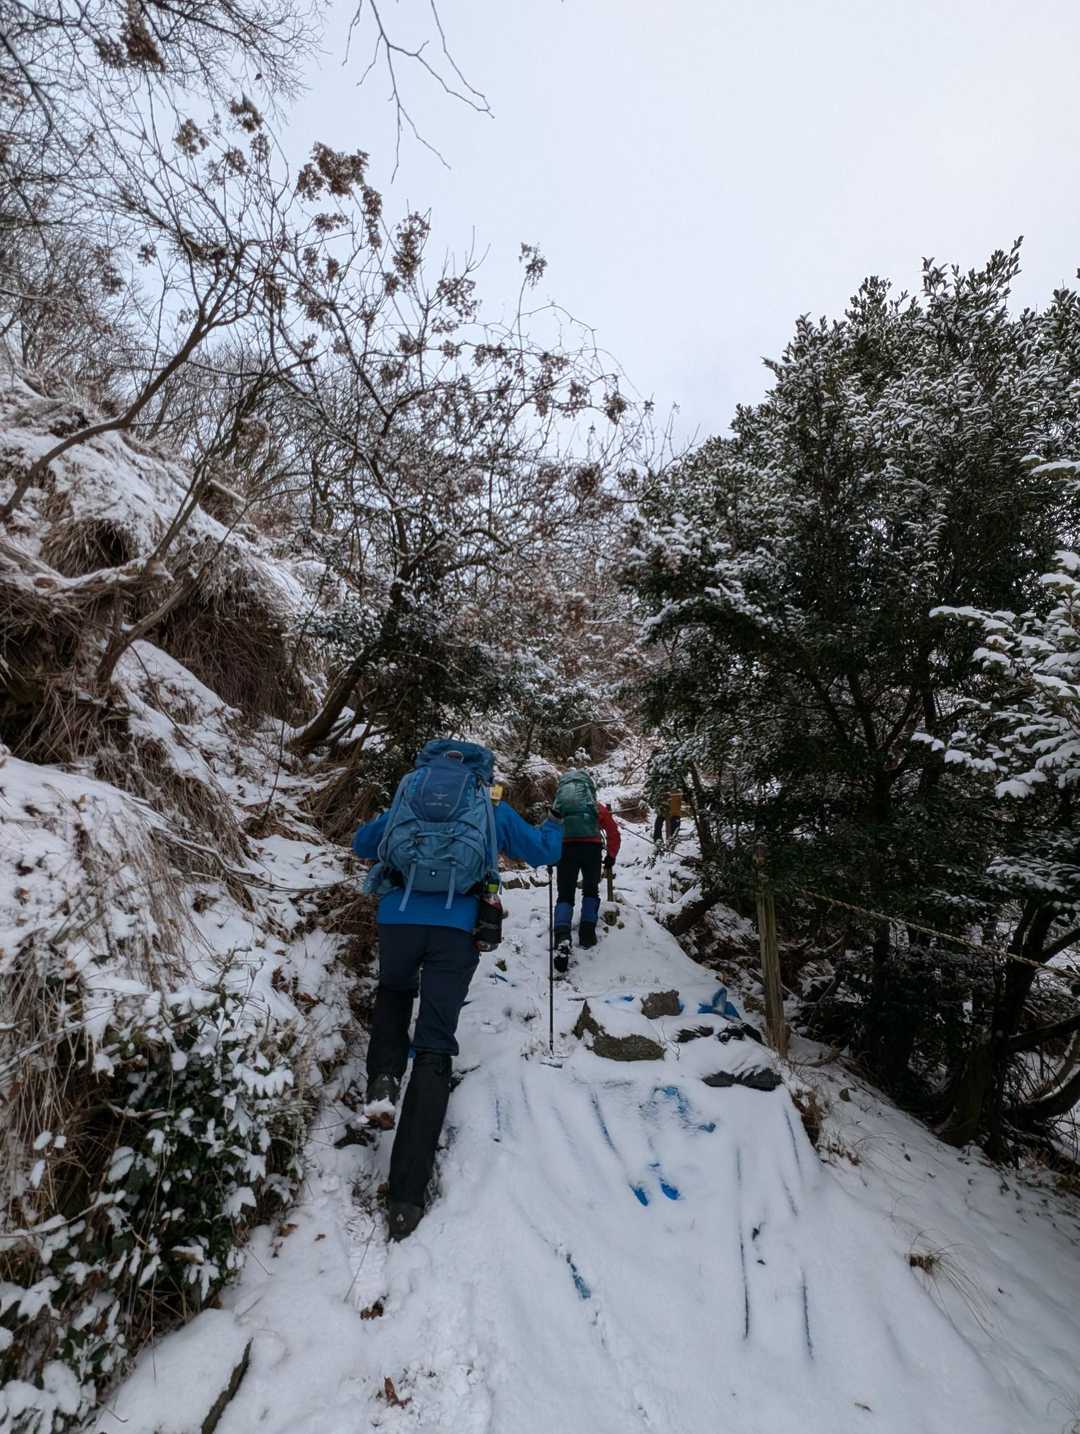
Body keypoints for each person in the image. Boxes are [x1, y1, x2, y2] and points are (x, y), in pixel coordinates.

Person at [352, 740, 562, 1242]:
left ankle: (383, 1079)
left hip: (399, 917)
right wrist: (556, 821)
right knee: (435, 1039)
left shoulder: (410, 795)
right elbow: (543, 851)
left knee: (394, 990)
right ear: (481, 770)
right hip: (457, 925)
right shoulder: (489, 805)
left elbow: (364, 844)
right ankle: (405, 1199)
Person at [551, 767, 620, 971]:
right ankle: (587, 933)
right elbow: (613, 832)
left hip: (566, 850)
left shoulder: (560, 806)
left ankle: (562, 936)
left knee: (565, 894)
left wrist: (549, 853)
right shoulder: (595, 807)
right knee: (591, 890)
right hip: (591, 851)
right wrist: (611, 856)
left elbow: (549, 829)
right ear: (588, 787)